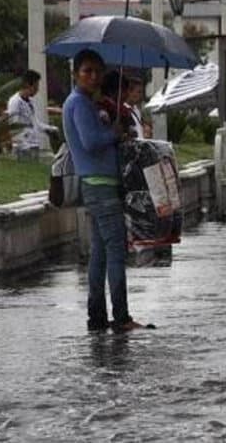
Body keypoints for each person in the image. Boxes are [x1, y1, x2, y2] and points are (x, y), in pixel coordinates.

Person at [62, 49, 145, 333]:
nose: (93, 76)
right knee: (116, 250)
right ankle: (121, 317)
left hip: (99, 185)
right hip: (99, 186)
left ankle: (97, 317)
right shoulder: (79, 105)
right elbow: (90, 142)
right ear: (75, 74)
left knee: (99, 252)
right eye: (87, 71)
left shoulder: (86, 103)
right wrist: (114, 133)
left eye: (97, 71)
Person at [6, 69, 58, 160]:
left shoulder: (30, 102)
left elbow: (35, 123)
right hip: (22, 147)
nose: (37, 89)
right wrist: (22, 142)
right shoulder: (15, 102)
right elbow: (14, 125)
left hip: (33, 145)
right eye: (36, 86)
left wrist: (50, 129)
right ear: (27, 85)